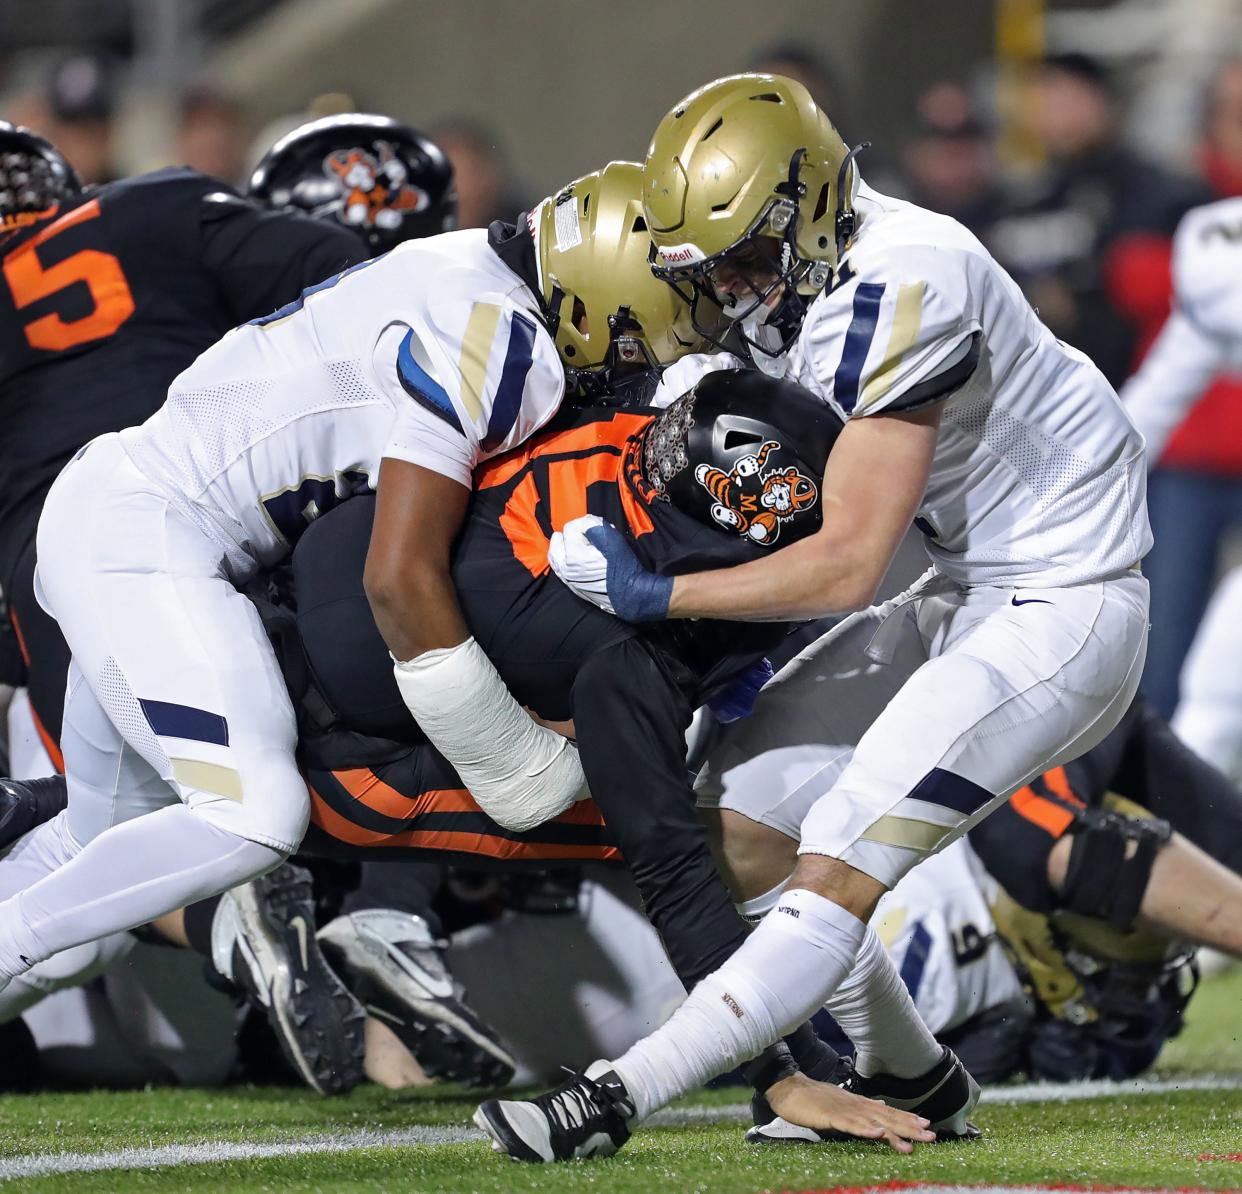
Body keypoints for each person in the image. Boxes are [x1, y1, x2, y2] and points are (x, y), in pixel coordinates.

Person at [482, 70, 1151, 1161]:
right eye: (710, 267)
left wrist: (661, 597)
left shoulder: (909, 278)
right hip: (962, 587)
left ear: (814, 199)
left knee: (840, 851)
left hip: (1064, 602)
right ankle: (912, 1071)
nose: (735, 288)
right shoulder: (797, 286)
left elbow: (843, 565)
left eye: (746, 254)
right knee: (738, 825)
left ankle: (614, 1098)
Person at [0, 157, 716, 1092]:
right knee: (253, 818)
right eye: (634, 337)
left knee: (94, 880)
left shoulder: (470, 269)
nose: (634, 362)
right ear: (595, 295)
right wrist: (509, 760)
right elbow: (398, 575)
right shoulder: (503, 340)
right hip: (153, 536)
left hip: (126, 515)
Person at [0, 113, 457, 1094]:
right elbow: (341, 274)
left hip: (65, 554)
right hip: (219, 517)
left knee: (113, 847)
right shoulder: (154, 209)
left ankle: (234, 931)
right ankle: (357, 927)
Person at [1121, 195, 1242, 775]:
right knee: (1214, 688)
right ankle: (1189, 844)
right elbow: (1153, 404)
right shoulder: (1222, 247)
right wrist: (1060, 491)